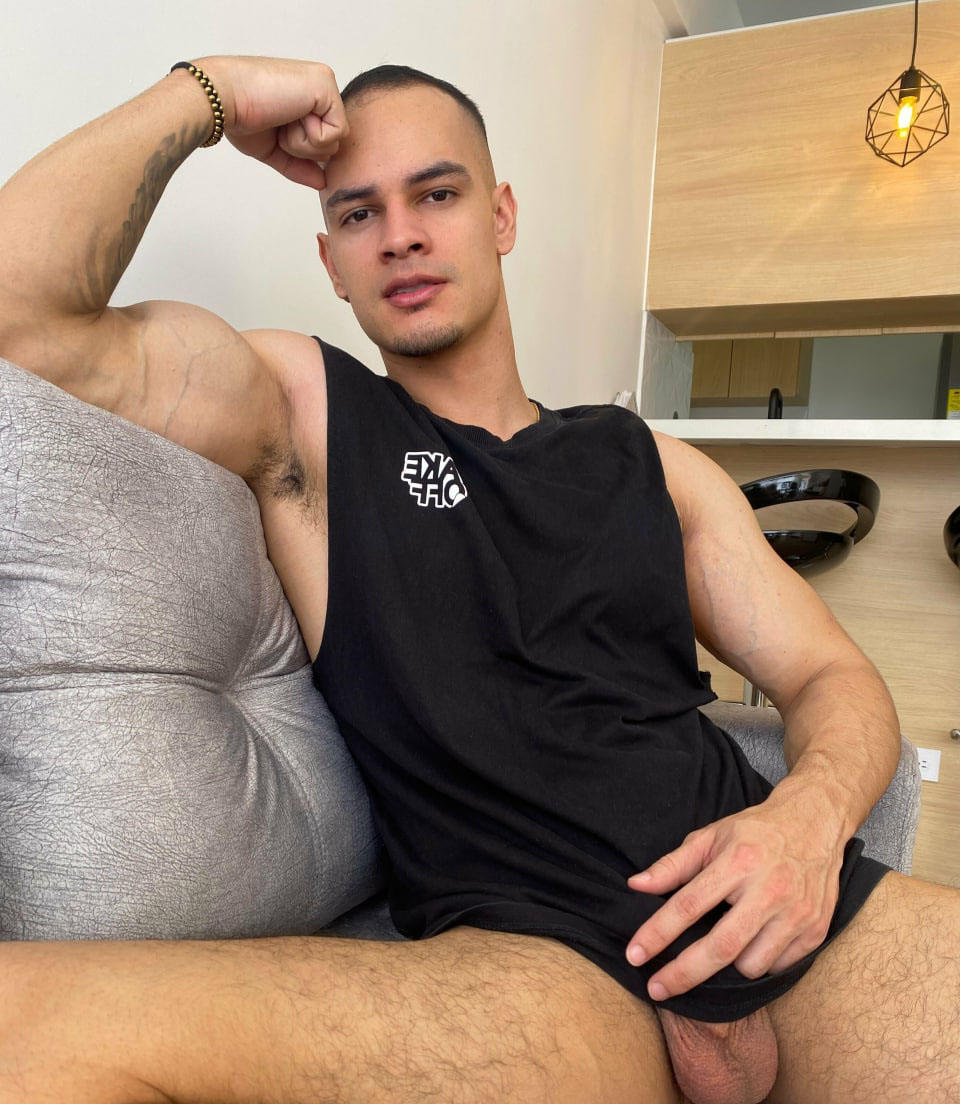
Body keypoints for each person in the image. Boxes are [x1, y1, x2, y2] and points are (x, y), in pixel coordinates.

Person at [0, 55, 957, 1104]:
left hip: (782, 917)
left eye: (437, 195)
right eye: (359, 214)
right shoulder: (309, 416)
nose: (400, 235)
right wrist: (207, 92)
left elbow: (830, 674)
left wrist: (808, 821)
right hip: (539, 972)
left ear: (500, 216)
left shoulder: (653, 464)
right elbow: (20, 323)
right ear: (332, 262)